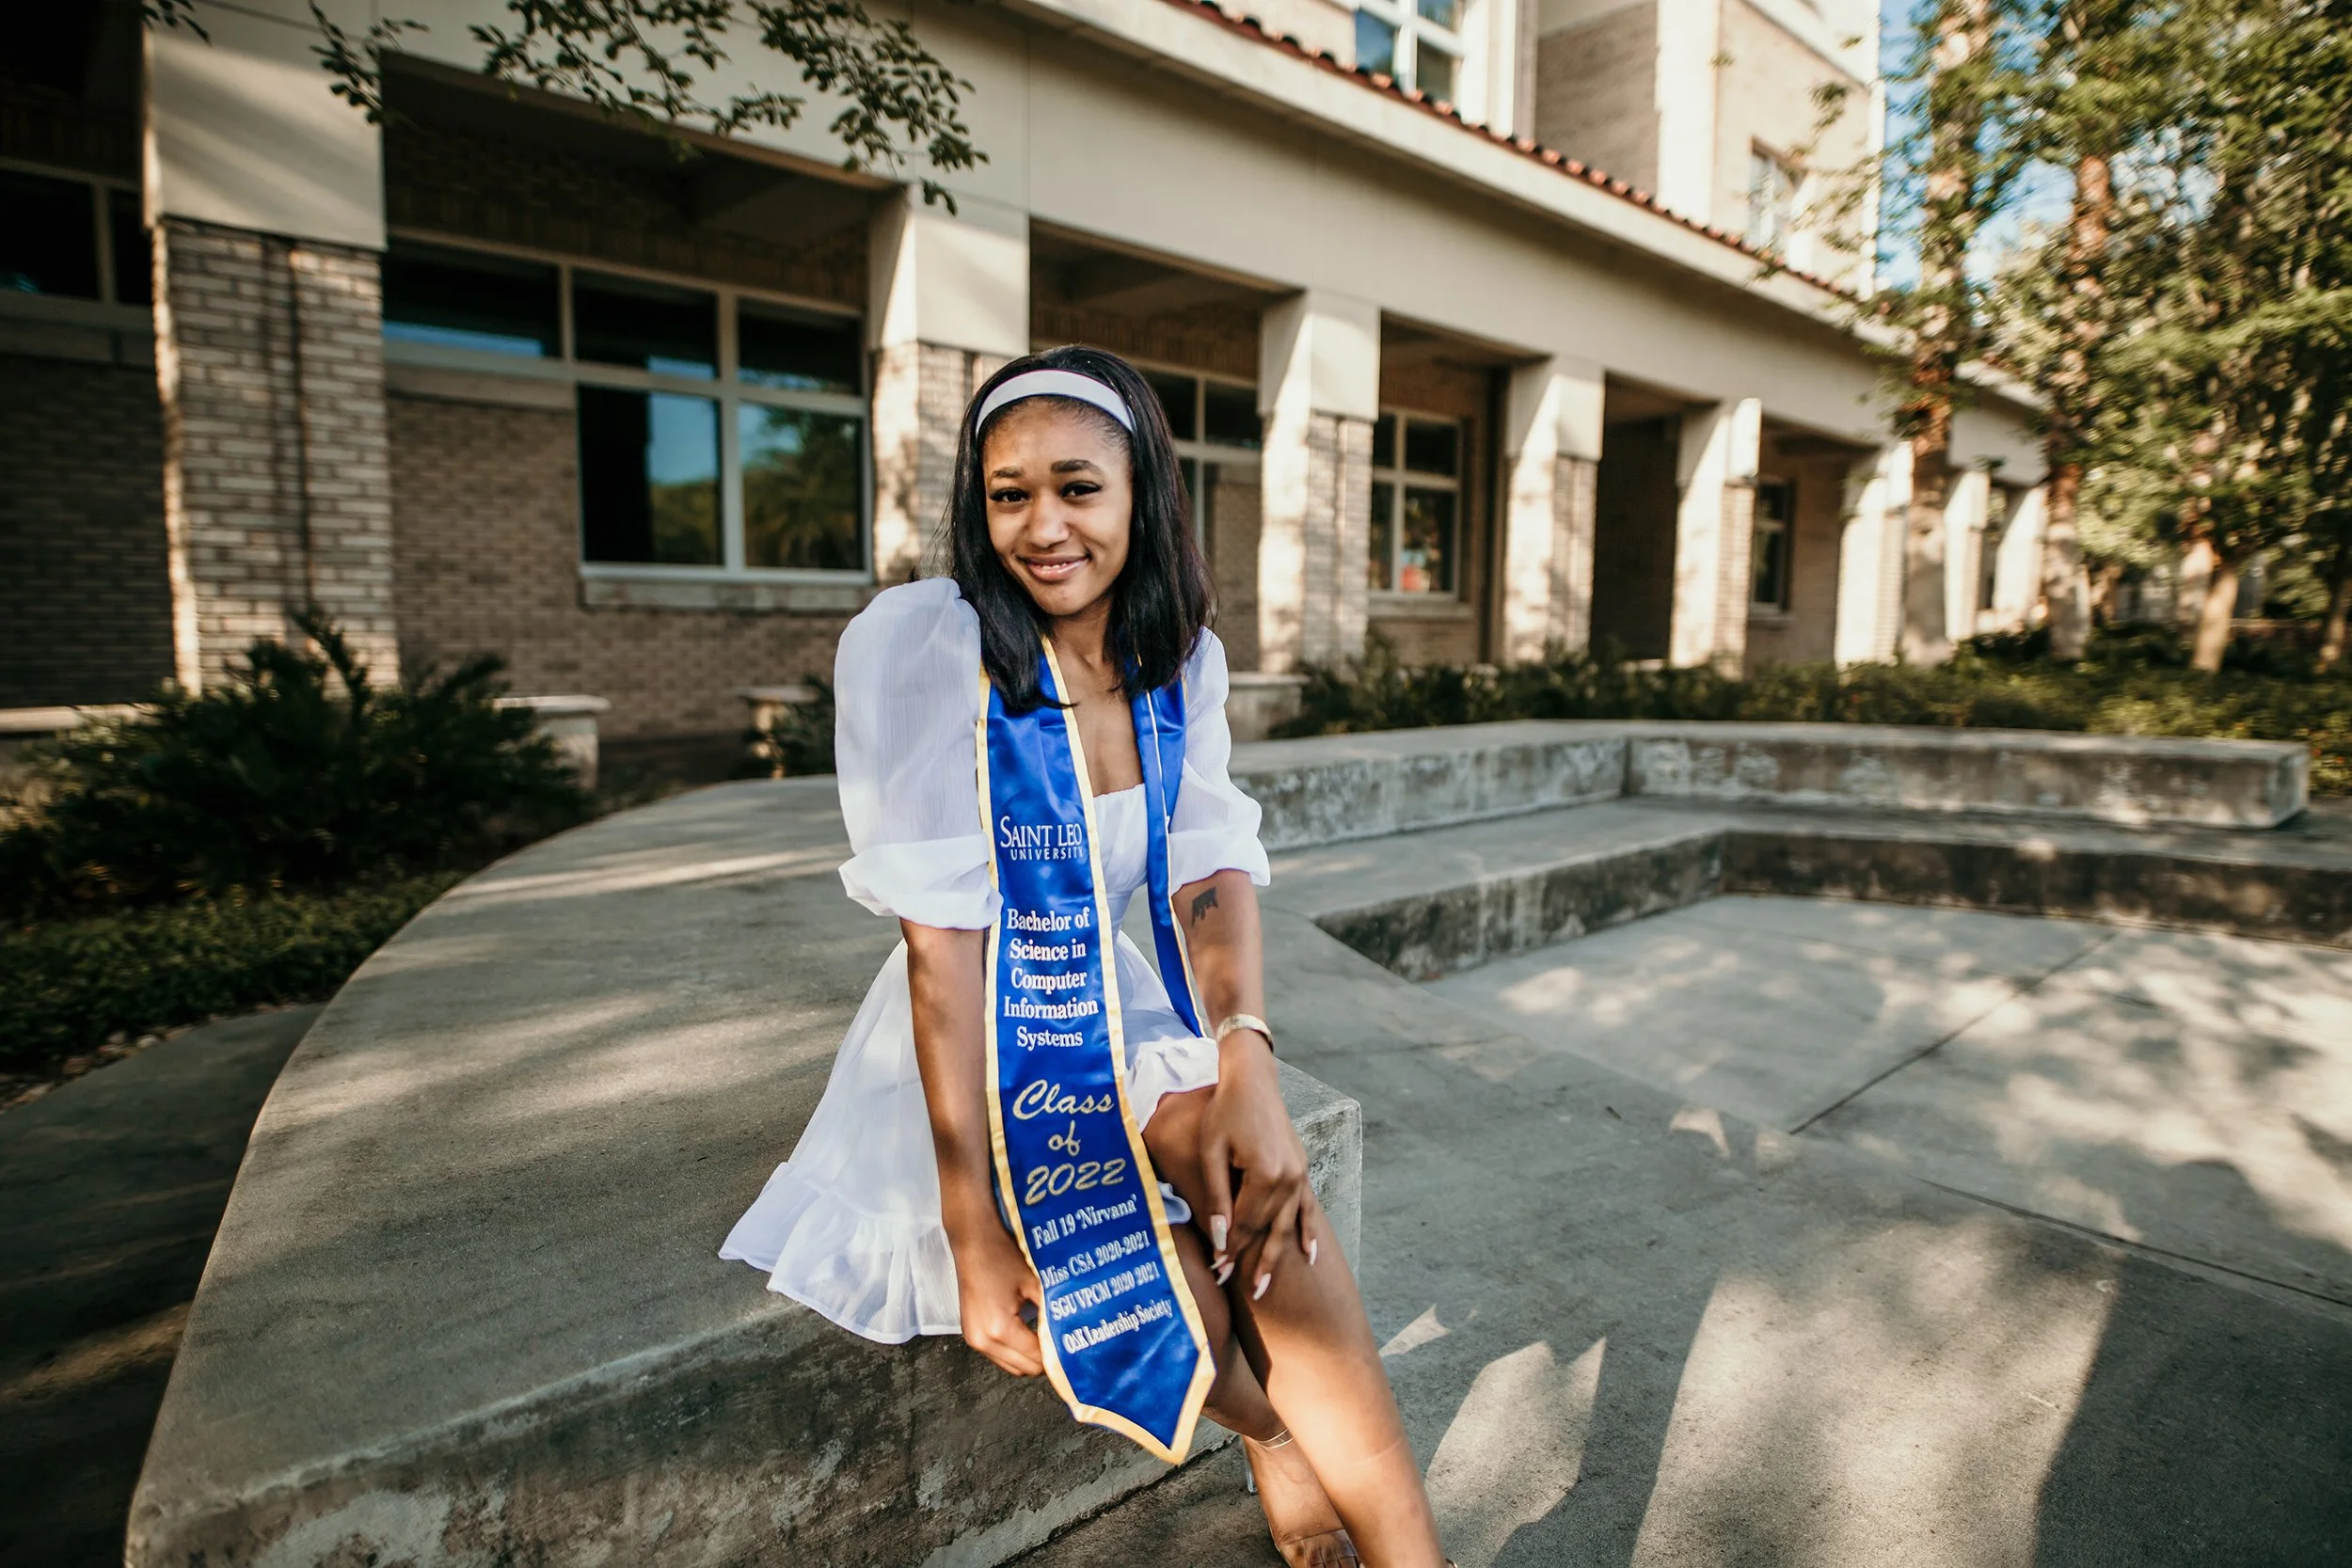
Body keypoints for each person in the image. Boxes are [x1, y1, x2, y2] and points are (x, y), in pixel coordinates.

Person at [723, 345, 1447, 1568]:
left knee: (1268, 1196)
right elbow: (942, 949)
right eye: (1010, 494)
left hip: (1113, 998)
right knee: (1131, 1277)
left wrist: (1250, 1064)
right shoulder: (930, 648)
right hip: (973, 1037)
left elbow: (1205, 869)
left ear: (1140, 494)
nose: (1043, 526)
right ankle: (1273, 1430)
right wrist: (971, 1223)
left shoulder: (1179, 656)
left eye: (1078, 487)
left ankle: (1413, 1557)